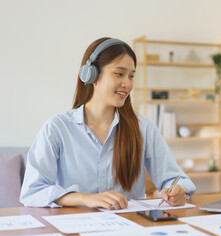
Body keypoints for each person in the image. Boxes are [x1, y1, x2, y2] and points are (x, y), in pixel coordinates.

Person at [20, 37, 196, 209]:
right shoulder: (57, 128)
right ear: (92, 75)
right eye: (119, 74)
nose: (127, 84)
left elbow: (176, 179)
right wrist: (86, 199)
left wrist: (178, 190)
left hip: (131, 228)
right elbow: (33, 191)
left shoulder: (143, 127)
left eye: (131, 76)